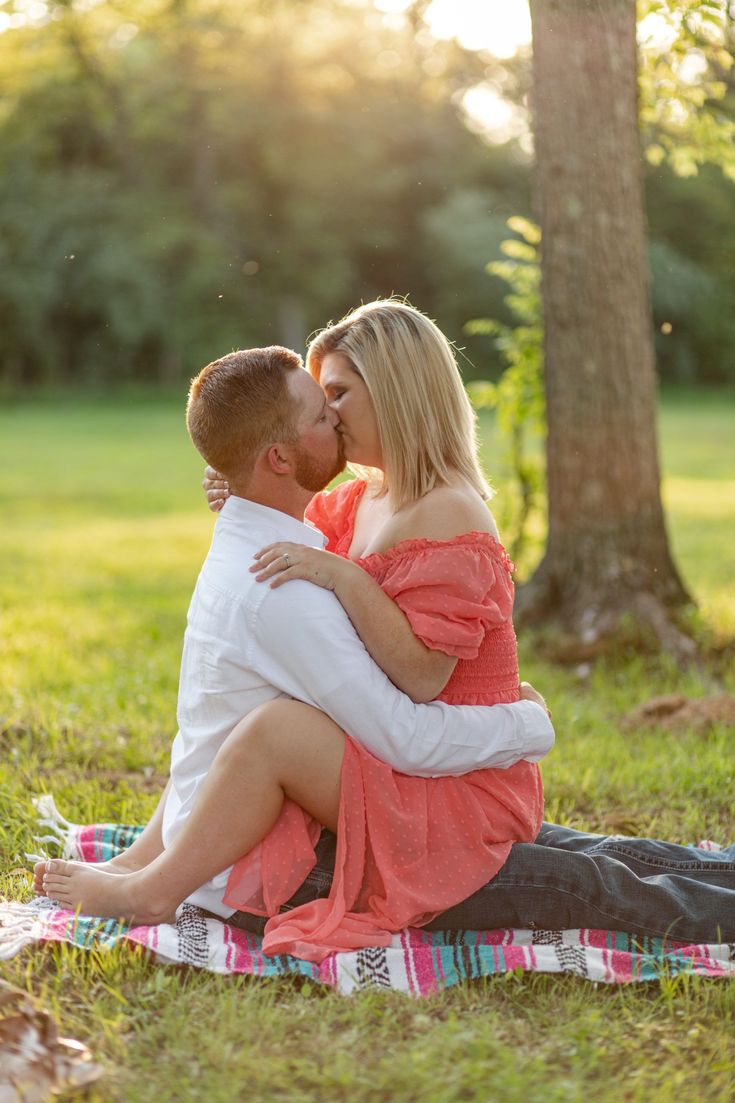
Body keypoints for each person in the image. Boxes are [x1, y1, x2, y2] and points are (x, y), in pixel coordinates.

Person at [37, 327, 554, 950]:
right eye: (321, 399)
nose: (329, 416)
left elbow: (422, 680)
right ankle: (142, 865)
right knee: (247, 697)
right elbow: (287, 511)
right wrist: (241, 485)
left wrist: (525, 726)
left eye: (337, 393)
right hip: (404, 752)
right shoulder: (366, 497)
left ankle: (153, 885)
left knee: (272, 727)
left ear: (394, 393)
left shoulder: (448, 512)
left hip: (455, 777)